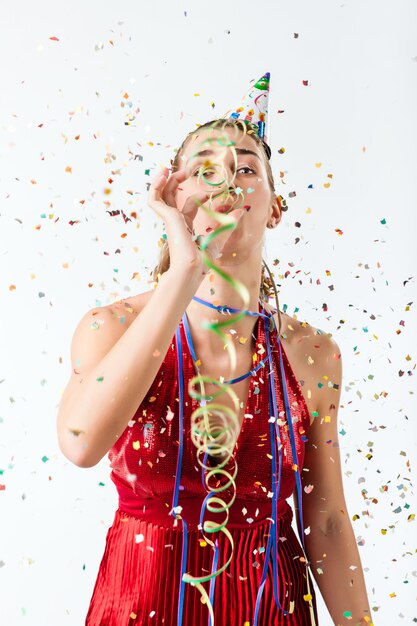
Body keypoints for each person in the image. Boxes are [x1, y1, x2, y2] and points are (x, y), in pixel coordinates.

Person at [56, 113, 373, 625]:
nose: (227, 179)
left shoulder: (313, 355)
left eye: (246, 168)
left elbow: (328, 520)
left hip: (272, 606)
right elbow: (79, 445)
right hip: (141, 600)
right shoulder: (109, 328)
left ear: (274, 208)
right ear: (172, 197)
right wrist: (184, 271)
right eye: (205, 169)